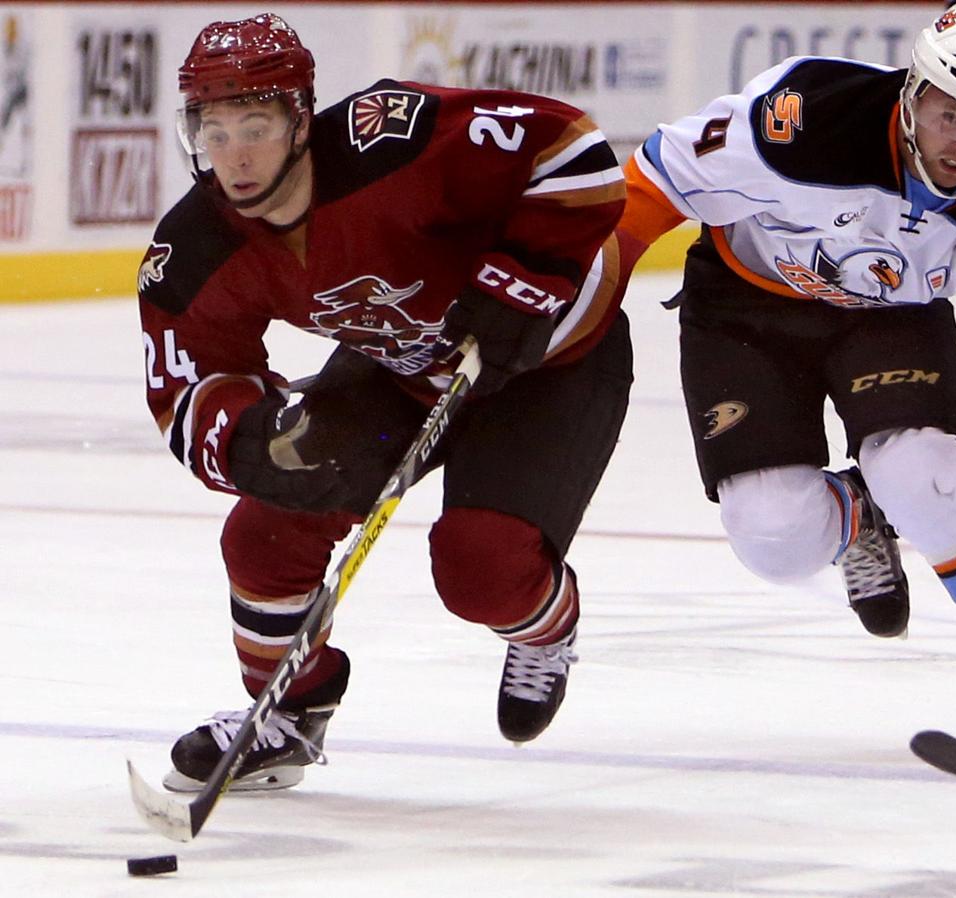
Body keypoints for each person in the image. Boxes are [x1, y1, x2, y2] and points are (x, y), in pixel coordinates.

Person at [615, 3, 956, 747]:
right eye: (949, 114)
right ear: (913, 92)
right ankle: (856, 520)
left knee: (925, 475)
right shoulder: (802, 120)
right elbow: (656, 178)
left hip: (891, 319)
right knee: (772, 535)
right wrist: (579, 293)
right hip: (744, 310)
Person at [137, 13, 631, 791]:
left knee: (481, 571)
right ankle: (290, 714)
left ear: (302, 117)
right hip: (400, 370)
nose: (233, 154)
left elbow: (572, 150)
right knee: (266, 534)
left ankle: (547, 626)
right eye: (214, 127)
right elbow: (191, 383)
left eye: (255, 125)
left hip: (550, 364)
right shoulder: (195, 247)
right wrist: (255, 441)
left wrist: (521, 277)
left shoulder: (389, 140)